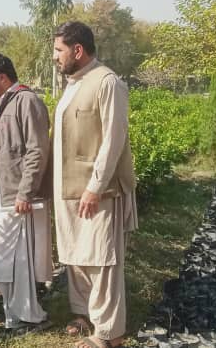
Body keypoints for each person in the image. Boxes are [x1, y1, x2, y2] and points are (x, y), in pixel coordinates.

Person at [50, 21, 138, 348]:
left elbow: (113, 140)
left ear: (77, 50)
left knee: (102, 258)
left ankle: (108, 335)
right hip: (68, 190)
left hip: (97, 191)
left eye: (59, 51)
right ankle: (85, 313)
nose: (55, 58)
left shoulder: (107, 82)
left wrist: (95, 187)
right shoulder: (74, 83)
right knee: (76, 254)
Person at [0, 52, 53, 333]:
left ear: (2, 77)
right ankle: (13, 316)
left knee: (18, 262)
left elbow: (37, 149)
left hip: (16, 198)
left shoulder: (26, 101)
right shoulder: (2, 103)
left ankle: (30, 317)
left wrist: (25, 193)